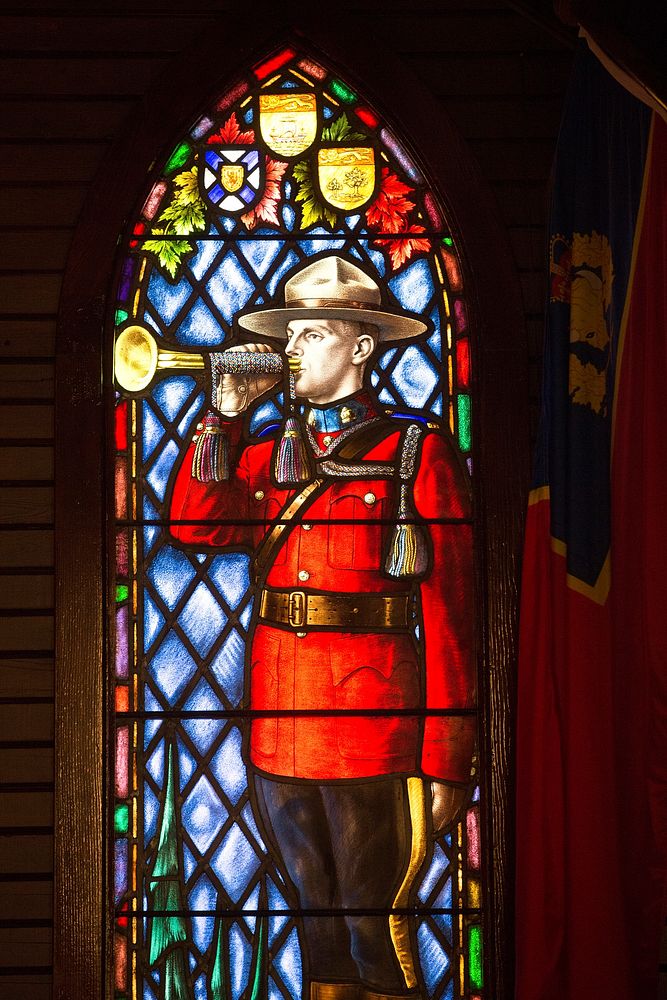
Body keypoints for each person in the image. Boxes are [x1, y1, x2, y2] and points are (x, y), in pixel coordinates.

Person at [169, 255, 475, 1000]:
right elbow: (193, 523)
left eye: (313, 334)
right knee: (317, 928)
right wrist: (226, 412)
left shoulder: (415, 451)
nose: (293, 351)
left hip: (374, 731)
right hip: (281, 727)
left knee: (376, 930)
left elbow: (451, 611)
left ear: (362, 347)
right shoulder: (276, 448)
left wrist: (445, 759)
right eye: (290, 335)